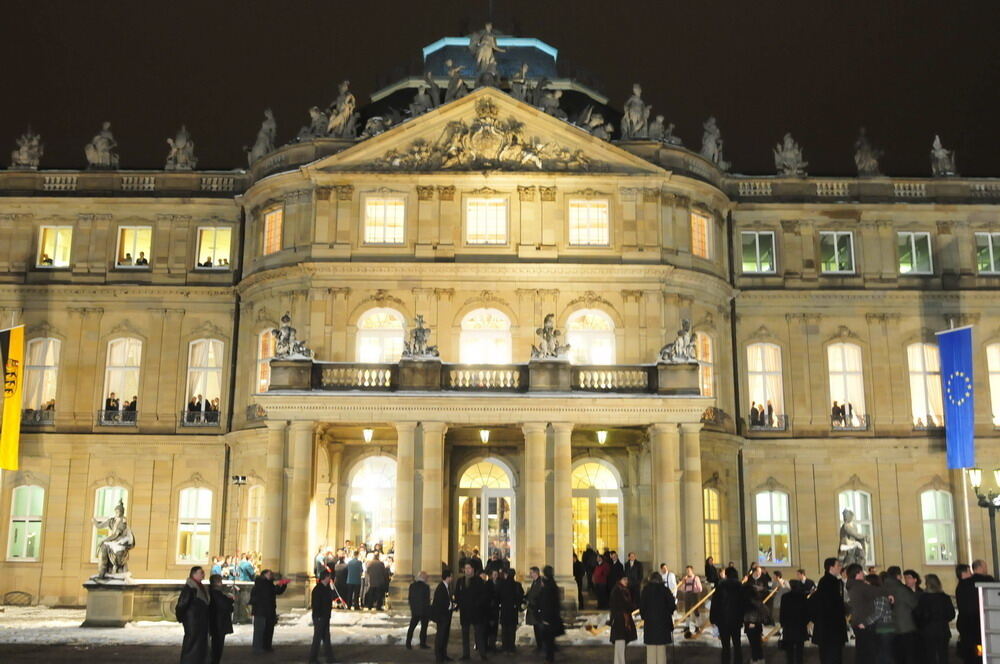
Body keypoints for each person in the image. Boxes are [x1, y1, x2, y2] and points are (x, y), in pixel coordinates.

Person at [809, 558, 847, 664]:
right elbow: (832, 605)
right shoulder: (830, 582)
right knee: (832, 656)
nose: (840, 568)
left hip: (828, 628)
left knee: (828, 655)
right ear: (831, 568)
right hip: (831, 627)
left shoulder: (828, 581)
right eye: (838, 566)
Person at [956, 559, 994, 664]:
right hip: (979, 621)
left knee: (969, 649)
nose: (986, 569)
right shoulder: (987, 580)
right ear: (980, 568)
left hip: (964, 622)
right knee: (981, 648)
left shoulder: (962, 584)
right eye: (985, 566)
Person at [845, 564, 882, 664]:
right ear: (857, 573)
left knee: (862, 651)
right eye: (862, 572)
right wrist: (864, 622)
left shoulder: (852, 586)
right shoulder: (860, 586)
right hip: (864, 624)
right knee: (868, 653)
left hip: (858, 623)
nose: (863, 574)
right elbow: (861, 607)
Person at [914, 573, 955, 664]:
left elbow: (918, 614)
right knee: (943, 655)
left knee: (930, 655)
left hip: (928, 631)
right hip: (943, 630)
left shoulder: (923, 598)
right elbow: (951, 614)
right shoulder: (945, 598)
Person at [710, 566, 748, 664]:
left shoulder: (720, 586)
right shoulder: (740, 586)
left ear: (726, 575)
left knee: (725, 646)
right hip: (736, 620)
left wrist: (713, 619)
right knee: (737, 645)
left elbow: (715, 603)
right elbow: (744, 603)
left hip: (723, 620)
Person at [884, 566, 919, 664]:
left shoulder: (883, 587)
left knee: (897, 654)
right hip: (904, 626)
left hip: (890, 625)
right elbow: (913, 603)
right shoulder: (901, 589)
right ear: (898, 576)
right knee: (908, 654)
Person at [249, 568, 289, 653]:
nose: (271, 576)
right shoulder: (262, 584)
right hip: (261, 611)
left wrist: (283, 585)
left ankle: (266, 646)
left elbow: (276, 591)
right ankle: (258, 648)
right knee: (260, 631)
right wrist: (280, 585)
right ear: (264, 575)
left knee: (268, 630)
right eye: (269, 574)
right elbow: (271, 591)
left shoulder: (268, 584)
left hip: (268, 610)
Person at [640, 570, 676, 664]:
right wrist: (668, 613)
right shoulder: (665, 590)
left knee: (651, 651)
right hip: (663, 623)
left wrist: (645, 616)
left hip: (650, 623)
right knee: (661, 651)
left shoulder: (646, 590)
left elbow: (642, 606)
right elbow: (672, 605)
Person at [176, 566, 210, 664]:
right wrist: (183, 618)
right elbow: (182, 605)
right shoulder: (190, 588)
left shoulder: (199, 586)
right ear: (194, 574)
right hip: (193, 621)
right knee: (191, 644)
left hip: (198, 621)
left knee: (197, 644)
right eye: (201, 572)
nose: (203, 574)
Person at [455, 562, 488, 660]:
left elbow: (483, 595)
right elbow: (457, 594)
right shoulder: (460, 581)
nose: (467, 570)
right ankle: (466, 654)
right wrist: (460, 603)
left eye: (469, 568)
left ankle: (482, 654)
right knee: (465, 634)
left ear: (473, 569)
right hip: (465, 612)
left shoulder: (478, 581)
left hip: (476, 612)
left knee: (478, 634)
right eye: (466, 568)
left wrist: (477, 604)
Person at [535, 566, 564, 664]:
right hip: (552, 616)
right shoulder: (552, 584)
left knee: (548, 639)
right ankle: (549, 656)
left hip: (548, 616)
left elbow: (546, 602)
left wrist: (544, 617)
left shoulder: (548, 586)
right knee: (549, 638)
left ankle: (549, 658)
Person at [779, 580, 809, 664]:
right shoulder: (803, 597)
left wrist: (782, 623)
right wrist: (805, 622)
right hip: (800, 627)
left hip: (788, 626)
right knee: (800, 650)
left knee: (789, 651)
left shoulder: (785, 597)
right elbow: (807, 612)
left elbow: (782, 612)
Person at [609, 575, 637, 664]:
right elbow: (625, 604)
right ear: (620, 580)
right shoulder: (619, 590)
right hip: (620, 620)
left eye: (627, 579)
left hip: (620, 619)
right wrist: (633, 606)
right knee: (620, 642)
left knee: (620, 643)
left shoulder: (620, 589)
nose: (626, 581)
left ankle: (619, 661)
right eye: (624, 579)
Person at [309, 572, 335, 664]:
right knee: (318, 638)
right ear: (325, 578)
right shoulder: (318, 589)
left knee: (326, 637)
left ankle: (330, 657)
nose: (330, 579)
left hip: (325, 616)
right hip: (320, 616)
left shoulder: (326, 588)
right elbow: (316, 604)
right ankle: (313, 658)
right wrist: (319, 616)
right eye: (329, 577)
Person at [497, 568, 524, 653]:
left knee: (505, 628)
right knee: (512, 629)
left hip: (505, 609)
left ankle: (505, 645)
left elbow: (498, 595)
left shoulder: (502, 584)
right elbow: (520, 596)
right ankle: (511, 646)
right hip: (513, 609)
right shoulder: (517, 585)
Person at [432, 569, 455, 663]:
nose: (452, 578)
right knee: (440, 637)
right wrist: (451, 605)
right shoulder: (441, 587)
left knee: (444, 636)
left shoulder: (445, 587)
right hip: (442, 617)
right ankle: (439, 657)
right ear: (448, 577)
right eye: (451, 576)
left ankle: (443, 655)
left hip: (446, 616)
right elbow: (441, 602)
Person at [407, 570, 432, 649]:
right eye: (426, 576)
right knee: (423, 628)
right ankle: (422, 643)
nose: (427, 578)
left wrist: (412, 608)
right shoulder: (426, 587)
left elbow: (410, 598)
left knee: (411, 627)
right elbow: (427, 600)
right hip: (424, 611)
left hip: (415, 610)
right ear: (423, 577)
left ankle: (408, 643)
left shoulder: (412, 586)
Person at [680, 565, 704, 633]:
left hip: (694, 595)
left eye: (689, 570)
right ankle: (687, 627)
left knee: (696, 611)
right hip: (687, 595)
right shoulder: (685, 579)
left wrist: (694, 589)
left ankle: (697, 626)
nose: (687, 572)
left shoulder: (696, 578)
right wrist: (683, 583)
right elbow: (682, 589)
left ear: (692, 570)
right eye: (686, 571)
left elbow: (700, 589)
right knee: (687, 612)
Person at [525, 566, 544, 650]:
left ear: (536, 573)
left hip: (537, 608)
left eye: (531, 572)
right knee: (536, 627)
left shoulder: (540, 582)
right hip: (533, 608)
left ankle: (541, 645)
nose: (530, 574)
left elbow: (539, 595)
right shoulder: (535, 582)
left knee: (539, 627)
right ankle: (539, 645)